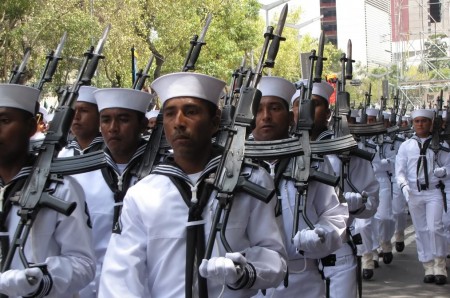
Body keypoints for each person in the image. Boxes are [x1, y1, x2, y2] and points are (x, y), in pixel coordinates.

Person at [99, 72, 287, 297]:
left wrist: (245, 272)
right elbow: (120, 279)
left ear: (215, 121)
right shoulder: (142, 193)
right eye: (170, 114)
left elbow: (275, 256)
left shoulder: (250, 180)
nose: (179, 122)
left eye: (191, 112)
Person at [252, 77, 348, 298]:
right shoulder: (233, 165)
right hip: (249, 280)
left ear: (290, 116)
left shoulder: (312, 160)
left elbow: (335, 214)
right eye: (258, 109)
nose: (265, 116)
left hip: (301, 278)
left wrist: (321, 236)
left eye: (275, 108)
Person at [0, 84, 95, 297]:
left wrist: (40, 280)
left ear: (32, 127)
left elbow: (83, 264)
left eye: (5, 121)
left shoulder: (60, 188)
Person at [73, 87, 152, 298]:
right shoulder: (79, 175)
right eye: (106, 120)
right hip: (89, 288)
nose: (113, 128)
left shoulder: (162, 175)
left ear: (143, 125)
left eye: (123, 119)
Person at [396, 108, 449, 285]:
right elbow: (400, 170)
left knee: (435, 228)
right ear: (413, 123)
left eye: (424, 121)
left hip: (433, 190)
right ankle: (428, 266)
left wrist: (444, 172)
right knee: (421, 230)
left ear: (431, 123)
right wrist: (403, 185)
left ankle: (440, 265)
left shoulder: (441, 145)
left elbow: (449, 166)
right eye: (417, 121)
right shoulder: (406, 146)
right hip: (414, 191)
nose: (420, 124)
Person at [59, 86, 104, 157]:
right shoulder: (61, 153)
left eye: (84, 111)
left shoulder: (112, 153)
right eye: (73, 111)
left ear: (100, 116)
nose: (76, 116)